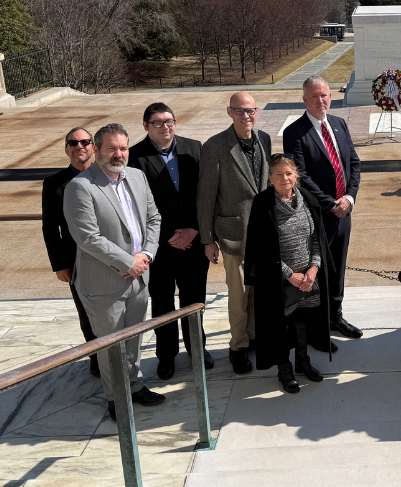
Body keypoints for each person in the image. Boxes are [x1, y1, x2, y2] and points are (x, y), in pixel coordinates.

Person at [63, 123, 164, 421]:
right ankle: (115, 398)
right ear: (96, 150)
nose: (118, 154)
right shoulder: (81, 187)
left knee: (133, 338)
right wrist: (127, 262)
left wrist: (146, 255)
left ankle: (134, 385)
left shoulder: (137, 176)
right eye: (111, 149)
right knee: (111, 345)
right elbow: (88, 237)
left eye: (123, 148)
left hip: (139, 275)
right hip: (104, 283)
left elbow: (154, 218)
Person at [128, 103, 213, 380]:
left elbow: (206, 195)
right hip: (159, 249)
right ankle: (166, 356)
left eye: (169, 121)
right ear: (145, 126)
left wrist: (195, 231)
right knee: (162, 303)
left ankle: (197, 349)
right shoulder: (135, 157)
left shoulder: (195, 148)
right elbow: (135, 207)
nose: (165, 127)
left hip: (193, 243)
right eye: (157, 123)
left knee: (194, 301)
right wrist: (167, 237)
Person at [282, 76, 364, 340]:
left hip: (344, 211)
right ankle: (316, 325)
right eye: (315, 96)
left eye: (325, 95)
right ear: (305, 99)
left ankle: (335, 317)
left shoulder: (339, 124)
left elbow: (353, 164)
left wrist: (349, 198)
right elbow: (301, 176)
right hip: (318, 214)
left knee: (339, 266)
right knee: (317, 269)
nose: (321, 100)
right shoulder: (295, 132)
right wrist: (331, 204)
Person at [244, 155, 333, 394]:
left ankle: (303, 362)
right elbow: (261, 249)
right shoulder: (263, 204)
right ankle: (284, 369)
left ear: (296, 176)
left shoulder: (308, 200)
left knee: (303, 320)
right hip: (277, 280)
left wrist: (313, 269)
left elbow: (317, 240)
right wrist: (289, 275)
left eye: (289, 174)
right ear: (270, 178)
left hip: (307, 279)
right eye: (279, 174)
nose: (285, 178)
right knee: (280, 325)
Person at [198, 91, 272, 375]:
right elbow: (206, 197)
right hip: (232, 234)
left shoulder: (264, 139)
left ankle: (252, 337)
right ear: (229, 112)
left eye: (250, 110)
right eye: (239, 111)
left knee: (256, 292)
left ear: (257, 112)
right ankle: (237, 346)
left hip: (262, 234)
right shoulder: (215, 146)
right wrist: (207, 239)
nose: (246, 116)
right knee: (239, 297)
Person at [41, 127, 101, 377]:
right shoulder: (54, 184)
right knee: (86, 312)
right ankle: (98, 357)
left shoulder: (108, 176)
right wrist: (59, 264)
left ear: (93, 148)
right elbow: (50, 227)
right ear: (67, 149)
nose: (80, 146)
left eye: (85, 142)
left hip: (114, 258)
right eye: (74, 143)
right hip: (76, 260)